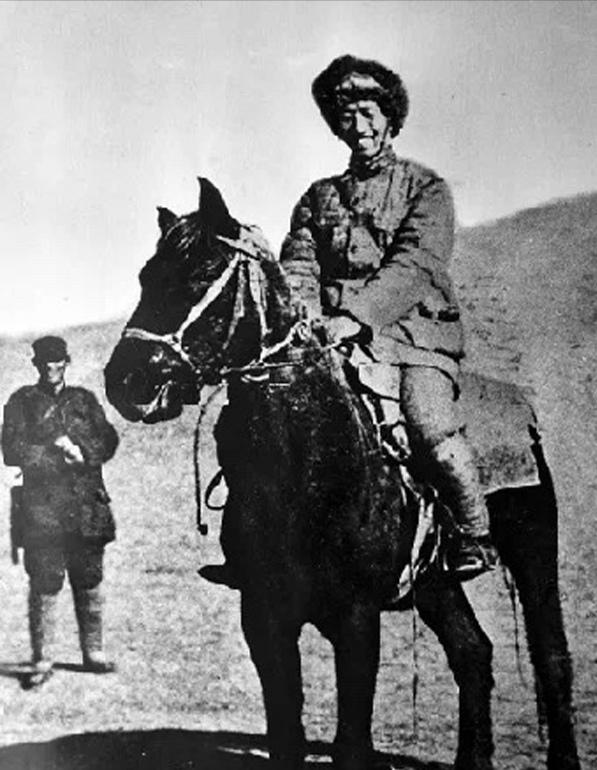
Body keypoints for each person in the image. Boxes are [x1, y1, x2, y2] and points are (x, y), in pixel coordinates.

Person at [277, 54, 497, 580]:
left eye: (369, 114)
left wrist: (356, 317)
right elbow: (299, 264)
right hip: (333, 336)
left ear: (390, 118)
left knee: (429, 428)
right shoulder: (318, 197)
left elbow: (415, 264)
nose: (359, 126)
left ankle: (473, 534)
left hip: (415, 335)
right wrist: (307, 318)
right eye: (347, 116)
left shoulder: (427, 189)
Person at [2, 336, 119, 688]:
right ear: (36, 365)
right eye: (44, 362)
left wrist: (83, 451)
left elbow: (108, 439)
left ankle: (93, 652)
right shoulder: (22, 402)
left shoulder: (84, 400)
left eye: (57, 361)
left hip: (85, 505)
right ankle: (43, 658)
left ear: (67, 362)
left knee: (89, 575)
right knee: (45, 577)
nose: (51, 368)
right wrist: (55, 452)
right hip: (43, 508)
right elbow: (11, 448)